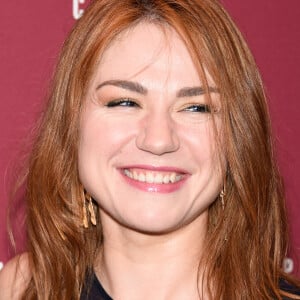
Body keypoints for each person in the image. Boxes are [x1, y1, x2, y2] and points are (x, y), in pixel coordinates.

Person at [0, 0, 299, 299]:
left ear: (238, 135)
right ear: (71, 124)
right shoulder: (24, 289)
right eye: (125, 102)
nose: (158, 140)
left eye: (196, 107)